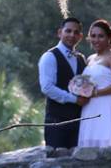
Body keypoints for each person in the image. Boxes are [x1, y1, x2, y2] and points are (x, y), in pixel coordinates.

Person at [77, 19, 111, 158]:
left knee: (105, 143)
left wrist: (96, 93)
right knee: (88, 143)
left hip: (106, 106)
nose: (96, 39)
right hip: (89, 107)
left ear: (109, 38)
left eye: (100, 36)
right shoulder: (90, 59)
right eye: (93, 36)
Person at [38, 17, 89, 150]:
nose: (72, 35)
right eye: (68, 31)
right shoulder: (49, 57)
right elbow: (47, 88)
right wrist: (74, 99)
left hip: (78, 123)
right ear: (60, 32)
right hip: (56, 123)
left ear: (80, 36)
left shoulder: (80, 58)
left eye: (76, 32)